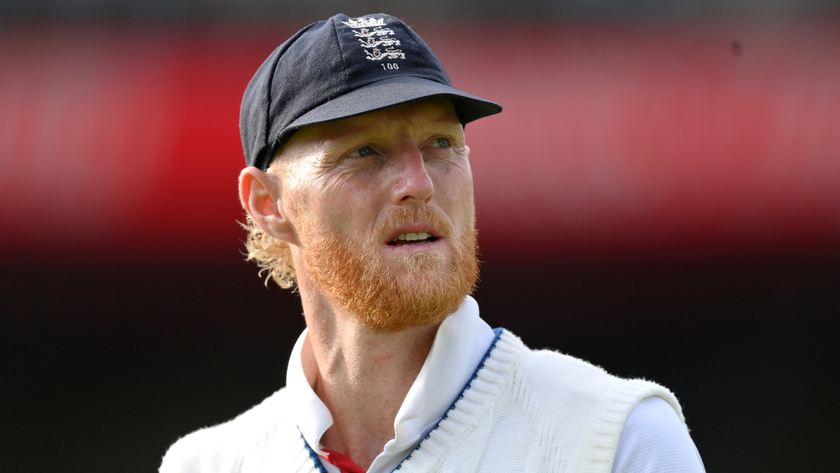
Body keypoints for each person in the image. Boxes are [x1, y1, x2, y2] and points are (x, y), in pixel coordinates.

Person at [159, 13, 705, 473]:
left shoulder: (620, 442)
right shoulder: (204, 465)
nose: (418, 183)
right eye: (365, 151)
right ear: (267, 204)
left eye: (441, 143)